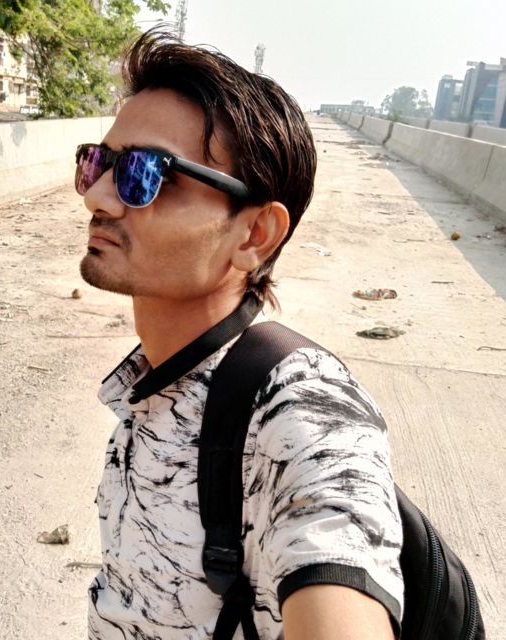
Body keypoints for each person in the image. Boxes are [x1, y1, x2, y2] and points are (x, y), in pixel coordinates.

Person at [75, 29, 403, 640]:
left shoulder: (298, 411)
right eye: (98, 162)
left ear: (254, 235)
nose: (97, 197)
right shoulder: (156, 381)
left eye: (147, 174)